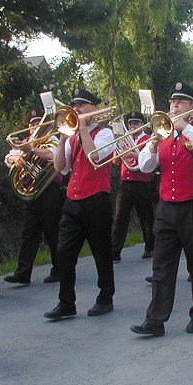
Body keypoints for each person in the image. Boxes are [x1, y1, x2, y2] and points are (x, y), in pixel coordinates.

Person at [130, 82, 193, 336]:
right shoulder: (162, 132)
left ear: (192, 107)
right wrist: (153, 145)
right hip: (167, 206)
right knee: (162, 266)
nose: (174, 106)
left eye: (180, 102)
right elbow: (144, 167)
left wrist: (186, 127)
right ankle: (155, 320)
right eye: (171, 102)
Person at [44, 89, 115, 319]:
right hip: (73, 201)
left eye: (82, 106)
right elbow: (59, 167)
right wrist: (64, 135)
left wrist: (82, 128)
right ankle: (66, 302)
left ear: (94, 109)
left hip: (97, 200)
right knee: (64, 253)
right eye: (75, 106)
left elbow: (94, 156)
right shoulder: (72, 137)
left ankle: (105, 298)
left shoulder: (106, 134)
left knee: (101, 253)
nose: (77, 109)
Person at [3, 114, 65, 284]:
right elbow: (8, 157)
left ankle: (59, 269)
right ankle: (23, 273)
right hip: (31, 191)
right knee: (28, 233)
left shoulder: (53, 139)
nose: (36, 126)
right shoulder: (26, 140)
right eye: (33, 123)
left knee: (53, 231)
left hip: (49, 189)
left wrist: (32, 150)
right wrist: (16, 159)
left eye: (39, 122)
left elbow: (53, 155)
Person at [111, 112, 156, 262]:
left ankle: (150, 247)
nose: (132, 126)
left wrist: (134, 154)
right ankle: (115, 251)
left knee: (146, 217)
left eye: (136, 123)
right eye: (130, 124)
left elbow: (149, 159)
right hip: (126, 182)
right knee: (120, 217)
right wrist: (119, 149)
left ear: (142, 125)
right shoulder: (125, 139)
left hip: (143, 182)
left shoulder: (148, 139)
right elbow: (115, 162)